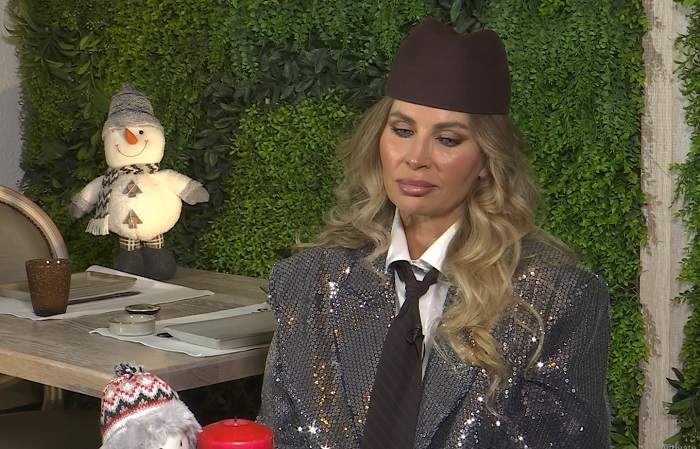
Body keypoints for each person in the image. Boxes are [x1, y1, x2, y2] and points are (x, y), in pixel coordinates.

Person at [257, 19, 610, 449]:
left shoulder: (554, 298)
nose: (416, 158)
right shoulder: (308, 281)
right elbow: (278, 437)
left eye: (447, 139)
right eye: (403, 131)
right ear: (379, 140)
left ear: (487, 160)